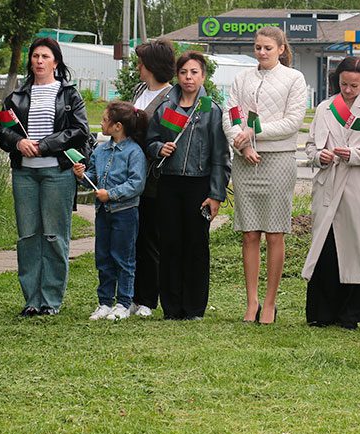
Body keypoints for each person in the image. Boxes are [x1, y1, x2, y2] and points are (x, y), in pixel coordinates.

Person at [0, 37, 89, 317]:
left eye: (45, 56)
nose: (39, 61)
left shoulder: (69, 95)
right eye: (35, 56)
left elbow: (79, 130)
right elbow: (2, 131)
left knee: (54, 236)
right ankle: (32, 300)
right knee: (27, 236)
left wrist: (46, 145)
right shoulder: (16, 96)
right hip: (25, 173)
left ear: (55, 62)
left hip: (57, 172)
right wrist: (18, 142)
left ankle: (50, 300)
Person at [223, 26, 306, 324]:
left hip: (278, 159)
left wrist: (254, 132)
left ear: (281, 49)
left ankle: (270, 302)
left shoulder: (294, 78)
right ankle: (252, 301)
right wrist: (243, 144)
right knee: (249, 233)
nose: (261, 52)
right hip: (245, 159)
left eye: (268, 48)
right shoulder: (242, 78)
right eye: (258, 47)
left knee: (274, 233)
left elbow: (292, 121)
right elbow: (231, 114)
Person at [303, 57, 360, 329]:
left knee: (357, 248)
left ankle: (351, 314)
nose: (348, 90)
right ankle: (321, 312)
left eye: (354, 85)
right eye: (344, 84)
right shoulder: (325, 107)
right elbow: (310, 146)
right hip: (328, 185)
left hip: (357, 187)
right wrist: (319, 156)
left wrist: (355, 155)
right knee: (327, 248)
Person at [147, 51, 230, 320]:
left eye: (194, 72)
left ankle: (194, 308)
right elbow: (150, 141)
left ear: (203, 76)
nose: (188, 78)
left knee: (196, 246)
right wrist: (159, 148)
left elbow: (220, 157)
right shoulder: (166, 108)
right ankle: (171, 307)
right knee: (169, 244)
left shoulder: (211, 110)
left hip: (199, 185)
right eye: (183, 72)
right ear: (177, 75)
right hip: (169, 184)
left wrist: (216, 194)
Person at [74, 102, 148, 321]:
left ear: (118, 126)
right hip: (103, 213)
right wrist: (81, 175)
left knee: (123, 258)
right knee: (103, 257)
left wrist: (112, 194)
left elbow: (136, 184)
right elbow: (93, 177)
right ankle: (105, 303)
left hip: (125, 213)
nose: (102, 123)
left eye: (105, 120)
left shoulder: (134, 152)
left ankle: (123, 303)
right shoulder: (100, 150)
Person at [129, 39, 176, 319]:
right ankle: (134, 294)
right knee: (134, 239)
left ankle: (148, 298)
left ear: (153, 66)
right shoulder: (139, 91)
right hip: (132, 174)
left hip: (154, 178)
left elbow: (166, 137)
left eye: (142, 63)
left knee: (150, 239)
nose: (138, 67)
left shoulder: (170, 98)